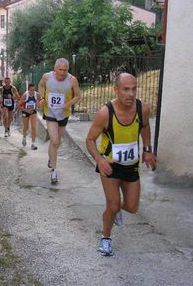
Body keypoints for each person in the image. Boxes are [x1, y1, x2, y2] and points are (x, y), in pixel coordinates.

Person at [85, 72, 157, 257]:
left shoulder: (142, 109)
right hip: (110, 165)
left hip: (131, 165)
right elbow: (90, 140)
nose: (131, 94)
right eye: (126, 89)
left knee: (132, 207)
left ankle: (116, 208)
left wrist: (147, 150)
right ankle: (106, 238)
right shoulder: (105, 113)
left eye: (134, 89)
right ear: (116, 90)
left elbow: (146, 127)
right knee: (113, 204)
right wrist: (99, 160)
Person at [38, 58, 81, 183]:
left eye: (65, 70)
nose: (62, 73)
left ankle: (51, 157)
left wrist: (68, 104)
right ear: (55, 68)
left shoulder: (72, 80)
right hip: (50, 112)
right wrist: (41, 97)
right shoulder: (47, 77)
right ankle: (54, 171)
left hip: (63, 113)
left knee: (57, 142)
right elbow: (40, 85)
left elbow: (78, 95)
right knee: (55, 140)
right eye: (60, 70)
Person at [19, 83, 42, 150]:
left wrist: (38, 106)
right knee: (26, 127)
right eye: (31, 90)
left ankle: (33, 144)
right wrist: (26, 110)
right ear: (28, 90)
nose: (32, 91)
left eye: (33, 90)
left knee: (34, 127)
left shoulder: (37, 94)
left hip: (33, 112)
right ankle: (24, 138)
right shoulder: (24, 95)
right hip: (25, 112)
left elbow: (41, 101)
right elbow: (18, 105)